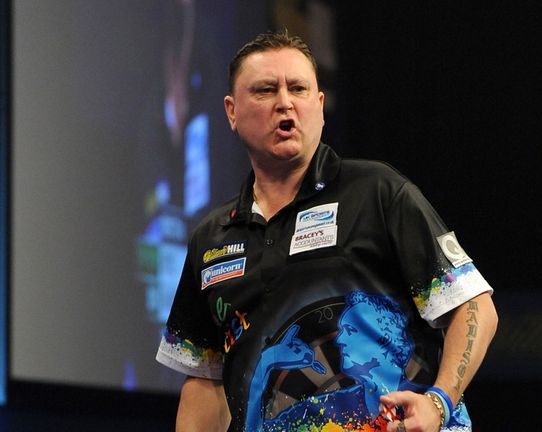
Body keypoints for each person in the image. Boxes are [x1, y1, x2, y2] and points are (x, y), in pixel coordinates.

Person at [156, 30, 498, 432]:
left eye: (298, 88)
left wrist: (438, 404)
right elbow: (204, 383)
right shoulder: (210, 239)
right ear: (231, 112)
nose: (285, 102)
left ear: (319, 106)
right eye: (266, 90)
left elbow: (474, 307)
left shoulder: (378, 191)